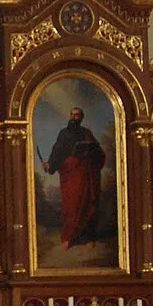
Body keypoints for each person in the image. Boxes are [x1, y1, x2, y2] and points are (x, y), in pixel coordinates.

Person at [42, 106, 105, 249]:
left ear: (81, 117)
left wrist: (91, 152)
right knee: (71, 206)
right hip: (70, 175)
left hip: (86, 174)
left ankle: (88, 238)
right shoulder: (64, 133)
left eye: (77, 115)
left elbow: (99, 152)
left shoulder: (87, 133)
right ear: (70, 116)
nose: (74, 117)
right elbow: (57, 151)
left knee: (88, 204)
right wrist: (50, 166)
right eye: (72, 114)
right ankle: (68, 238)